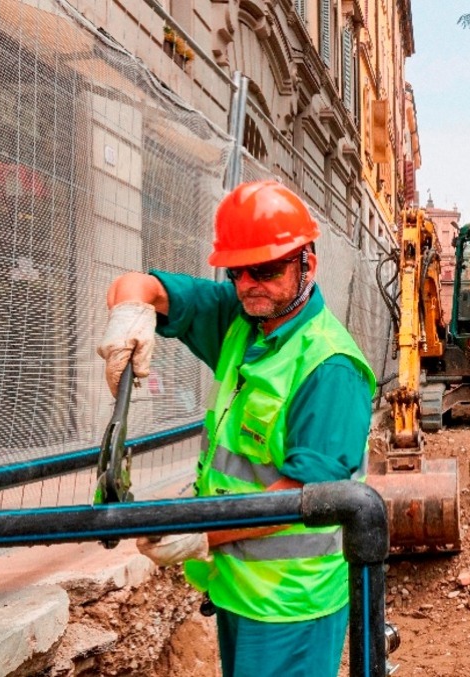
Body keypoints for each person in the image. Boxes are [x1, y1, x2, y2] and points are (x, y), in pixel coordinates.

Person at [96, 180, 375, 677]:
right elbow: (141, 286)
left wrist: (198, 530)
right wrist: (130, 313)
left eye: (265, 270)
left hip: (291, 605)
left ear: (307, 264)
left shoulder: (330, 367)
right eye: (236, 271)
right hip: (236, 588)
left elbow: (307, 495)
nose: (248, 284)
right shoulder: (241, 319)